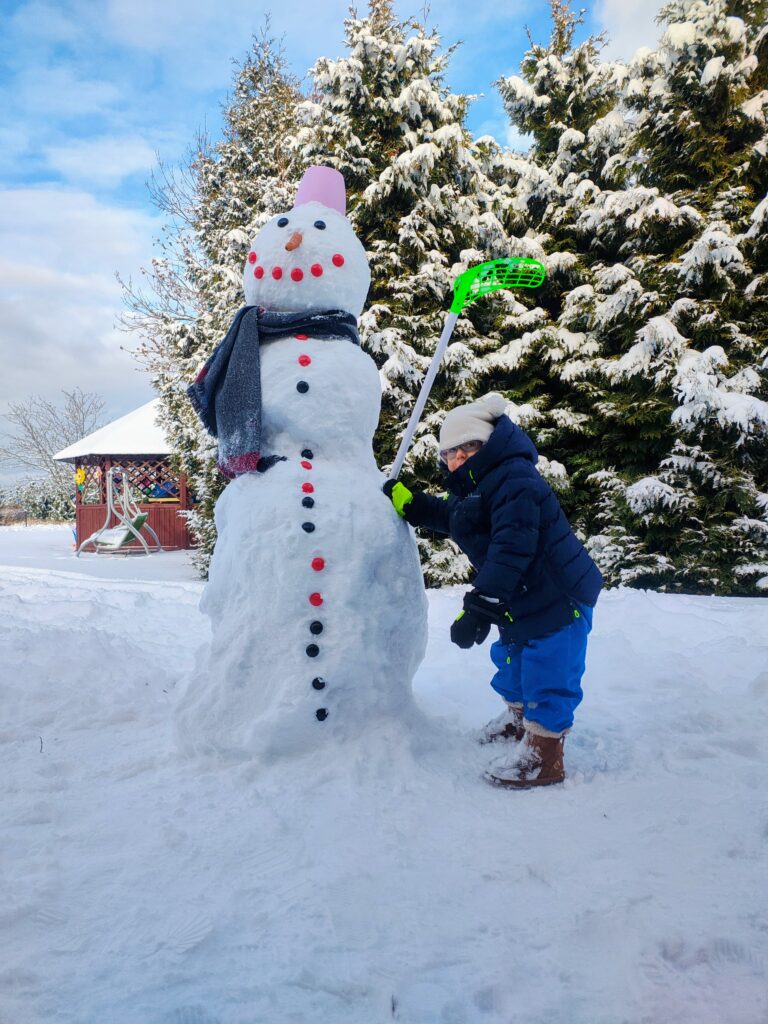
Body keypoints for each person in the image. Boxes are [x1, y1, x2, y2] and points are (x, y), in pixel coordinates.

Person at [383, 393, 602, 788]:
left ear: (487, 445)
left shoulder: (516, 480)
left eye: (468, 447)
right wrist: (413, 504)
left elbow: (510, 547)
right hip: (522, 594)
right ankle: (520, 721)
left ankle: (545, 754)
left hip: (557, 596)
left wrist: (480, 606)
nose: (458, 457)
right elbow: (456, 517)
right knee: (512, 657)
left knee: (547, 668)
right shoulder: (482, 486)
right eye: (450, 451)